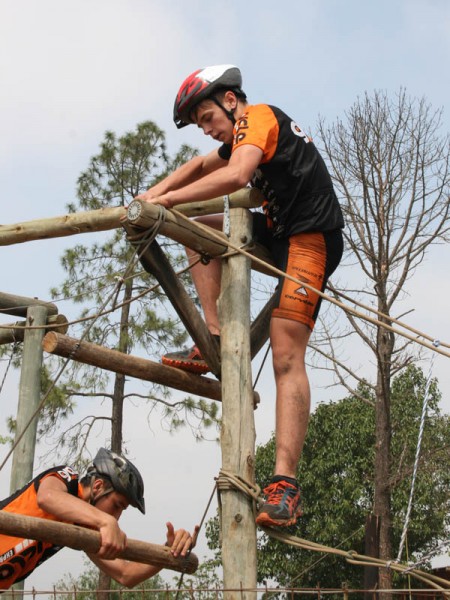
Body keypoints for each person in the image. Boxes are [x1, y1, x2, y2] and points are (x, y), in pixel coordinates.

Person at [136, 65, 344, 528]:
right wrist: (155, 194)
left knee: (285, 351)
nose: (207, 129)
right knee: (190, 225)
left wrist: (168, 200)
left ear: (231, 100)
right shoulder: (236, 135)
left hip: (312, 237)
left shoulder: (260, 118)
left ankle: (285, 486)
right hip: (278, 230)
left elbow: (237, 176)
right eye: (199, 125)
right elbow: (196, 167)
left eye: (207, 116)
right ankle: (209, 335)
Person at [0, 448, 197, 590]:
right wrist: (106, 521)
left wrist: (169, 551)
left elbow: (125, 574)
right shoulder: (67, 479)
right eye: (117, 505)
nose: (117, 517)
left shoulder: (84, 528)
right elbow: (47, 497)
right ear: (97, 487)